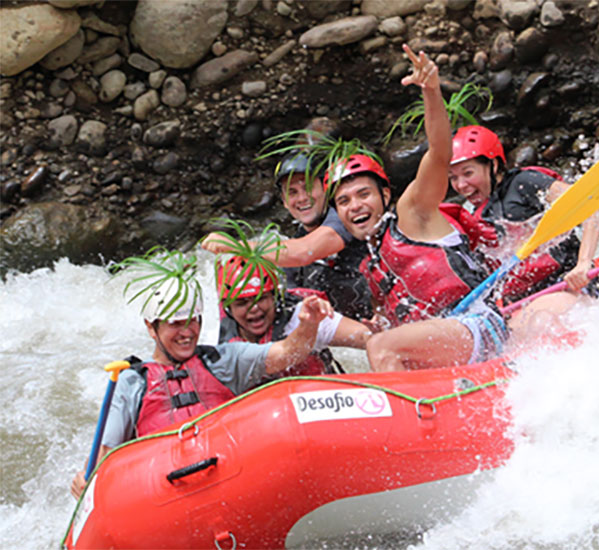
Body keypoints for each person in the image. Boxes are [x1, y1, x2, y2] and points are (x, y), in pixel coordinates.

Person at [327, 45, 508, 372]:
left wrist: (432, 92)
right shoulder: (373, 263)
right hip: (444, 348)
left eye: (363, 194)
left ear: (384, 195)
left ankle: (407, 419)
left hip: (479, 324)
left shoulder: (412, 212)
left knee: (383, 347)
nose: (355, 206)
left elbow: (439, 154)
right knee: (378, 340)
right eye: (344, 201)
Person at [71, 275, 333, 498]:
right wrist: (85, 478)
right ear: (152, 327)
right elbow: (105, 455)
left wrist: (309, 324)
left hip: (234, 478)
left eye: (193, 321)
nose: (187, 332)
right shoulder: (131, 381)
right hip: (165, 494)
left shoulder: (224, 360)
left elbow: (287, 352)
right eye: (175, 323)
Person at [446, 125, 599, 319]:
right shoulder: (473, 215)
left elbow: (591, 203)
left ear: (493, 165)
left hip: (568, 284)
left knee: (541, 319)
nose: (460, 185)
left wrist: (584, 263)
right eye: (452, 178)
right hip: (524, 301)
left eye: (468, 173)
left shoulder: (524, 183)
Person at [201, 154, 373, 320]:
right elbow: (289, 299)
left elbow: (305, 252)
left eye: (307, 188)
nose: (302, 198)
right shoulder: (293, 245)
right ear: (284, 201)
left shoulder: (346, 218)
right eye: (292, 192)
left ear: (325, 188)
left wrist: (238, 246)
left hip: (379, 323)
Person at [216, 255, 371, 377]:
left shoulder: (305, 315)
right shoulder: (225, 346)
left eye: (261, 298)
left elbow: (368, 338)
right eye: (242, 303)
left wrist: (373, 333)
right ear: (228, 308)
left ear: (274, 297)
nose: (254, 309)